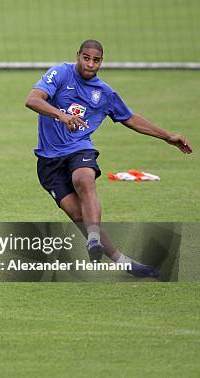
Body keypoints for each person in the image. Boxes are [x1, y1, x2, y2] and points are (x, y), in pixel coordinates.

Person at [25, 39, 193, 277]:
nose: (90, 64)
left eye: (96, 60)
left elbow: (131, 118)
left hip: (79, 149)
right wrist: (61, 116)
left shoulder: (104, 93)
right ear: (78, 56)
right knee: (77, 215)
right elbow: (32, 99)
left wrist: (167, 136)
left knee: (84, 178)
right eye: (86, 58)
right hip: (48, 161)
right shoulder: (60, 73)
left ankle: (93, 238)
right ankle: (123, 262)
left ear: (101, 62)